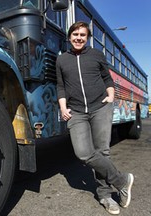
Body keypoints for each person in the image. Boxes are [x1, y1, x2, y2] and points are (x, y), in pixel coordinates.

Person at [56, 21, 134, 215]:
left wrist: (111, 97)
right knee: (83, 153)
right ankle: (122, 180)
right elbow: (60, 86)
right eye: (75, 34)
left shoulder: (97, 55)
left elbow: (107, 78)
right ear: (69, 36)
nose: (79, 38)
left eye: (83, 35)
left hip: (100, 107)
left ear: (87, 38)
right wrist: (63, 108)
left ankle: (105, 196)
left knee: (102, 151)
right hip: (76, 111)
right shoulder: (62, 60)